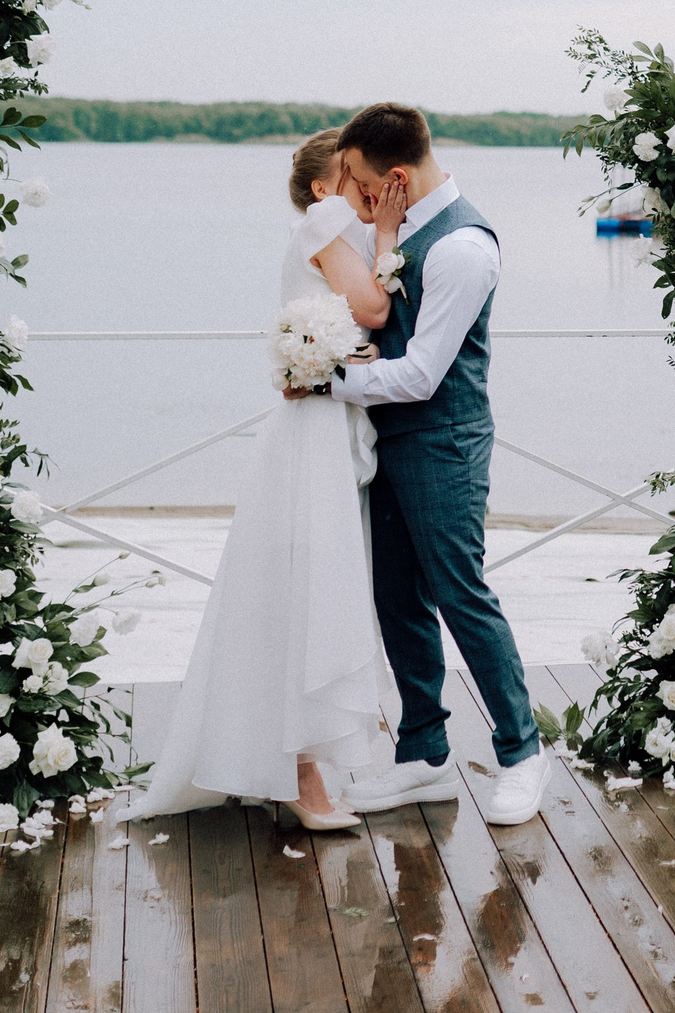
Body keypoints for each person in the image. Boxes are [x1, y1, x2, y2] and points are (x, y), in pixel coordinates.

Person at [125, 129, 404, 829]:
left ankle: (292, 760)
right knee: (307, 587)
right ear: (322, 186)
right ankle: (297, 773)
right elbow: (372, 307)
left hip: (323, 420)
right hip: (310, 432)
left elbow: (357, 318)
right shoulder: (321, 222)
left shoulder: (324, 228)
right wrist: (391, 231)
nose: (369, 188)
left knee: (312, 582)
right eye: (355, 175)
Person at [322, 103, 550, 828]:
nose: (354, 196)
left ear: (394, 175)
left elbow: (421, 373)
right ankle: (423, 753)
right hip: (388, 439)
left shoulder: (461, 249)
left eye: (357, 181)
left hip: (444, 440)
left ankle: (522, 751)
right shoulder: (402, 229)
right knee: (396, 595)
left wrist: (329, 379)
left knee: (460, 592)